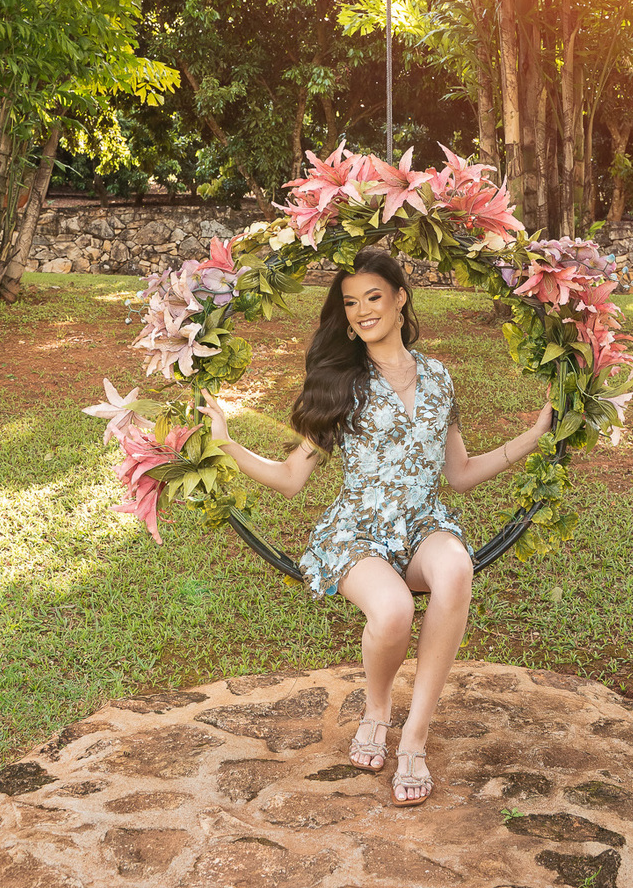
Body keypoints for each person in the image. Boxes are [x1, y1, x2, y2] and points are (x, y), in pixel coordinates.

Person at [202, 244, 553, 808]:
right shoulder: (342, 382)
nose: (362, 311)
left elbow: (458, 474)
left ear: (399, 299)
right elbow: (293, 477)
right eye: (350, 303)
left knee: (457, 567)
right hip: (358, 531)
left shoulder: (439, 377)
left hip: (422, 523)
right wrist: (225, 442)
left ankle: (414, 735)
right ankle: (377, 707)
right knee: (393, 612)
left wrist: (530, 440)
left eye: (373, 297)